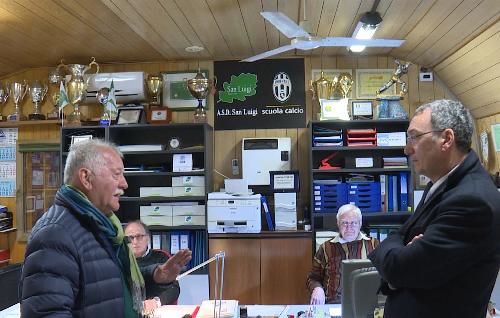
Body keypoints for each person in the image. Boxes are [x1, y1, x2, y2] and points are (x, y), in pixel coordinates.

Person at [19, 139, 192, 317]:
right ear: (86, 178)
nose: (124, 184)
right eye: (116, 174)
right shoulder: (55, 234)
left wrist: (156, 275)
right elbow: (46, 313)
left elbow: (104, 280)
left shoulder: (103, 225)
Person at [368, 100, 500, 318]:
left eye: (415, 137)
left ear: (446, 139)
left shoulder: (473, 201)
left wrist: (398, 258)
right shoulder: (442, 184)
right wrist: (400, 252)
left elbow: (400, 267)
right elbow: (399, 236)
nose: (407, 148)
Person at [307, 204, 379, 304]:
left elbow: (384, 275)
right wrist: (317, 289)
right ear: (338, 224)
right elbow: (313, 278)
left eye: (353, 223)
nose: (349, 227)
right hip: (333, 304)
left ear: (360, 223)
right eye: (344, 223)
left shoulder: (374, 245)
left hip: (365, 304)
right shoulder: (326, 247)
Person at [124, 220, 181, 311]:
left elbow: (174, 289)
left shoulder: (161, 257)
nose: (134, 242)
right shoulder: (120, 260)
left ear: (148, 239)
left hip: (157, 309)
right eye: (130, 238)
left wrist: (156, 301)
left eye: (139, 236)